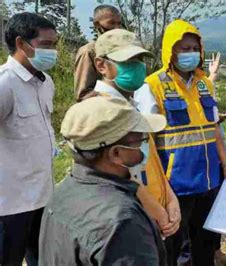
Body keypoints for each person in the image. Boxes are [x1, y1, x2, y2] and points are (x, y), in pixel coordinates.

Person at [134, 19, 226, 266]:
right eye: (184, 48)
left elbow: (215, 129)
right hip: (175, 185)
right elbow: (145, 139)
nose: (191, 54)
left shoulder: (205, 84)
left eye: (194, 48)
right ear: (170, 50)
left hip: (209, 180)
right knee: (173, 248)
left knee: (205, 244)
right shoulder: (152, 85)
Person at [39, 97, 167, 265]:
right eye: (142, 140)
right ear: (116, 153)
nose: (145, 146)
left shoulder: (63, 192)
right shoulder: (122, 222)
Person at [91, 28, 181, 237]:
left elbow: (150, 160)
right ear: (101, 65)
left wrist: (169, 197)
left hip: (152, 212)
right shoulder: (101, 111)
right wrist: (157, 211)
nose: (138, 67)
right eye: (127, 61)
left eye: (139, 59)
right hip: (132, 217)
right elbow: (119, 175)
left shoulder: (131, 105)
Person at [0, 12, 57, 266]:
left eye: (55, 44)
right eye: (46, 45)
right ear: (22, 44)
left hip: (44, 198)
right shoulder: (5, 84)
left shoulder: (46, 83)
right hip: (9, 205)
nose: (53, 51)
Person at [74, 4, 121, 101]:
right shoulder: (89, 52)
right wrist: (113, 89)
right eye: (111, 23)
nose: (117, 28)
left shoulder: (121, 50)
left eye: (119, 23)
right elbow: (83, 96)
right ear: (97, 25)